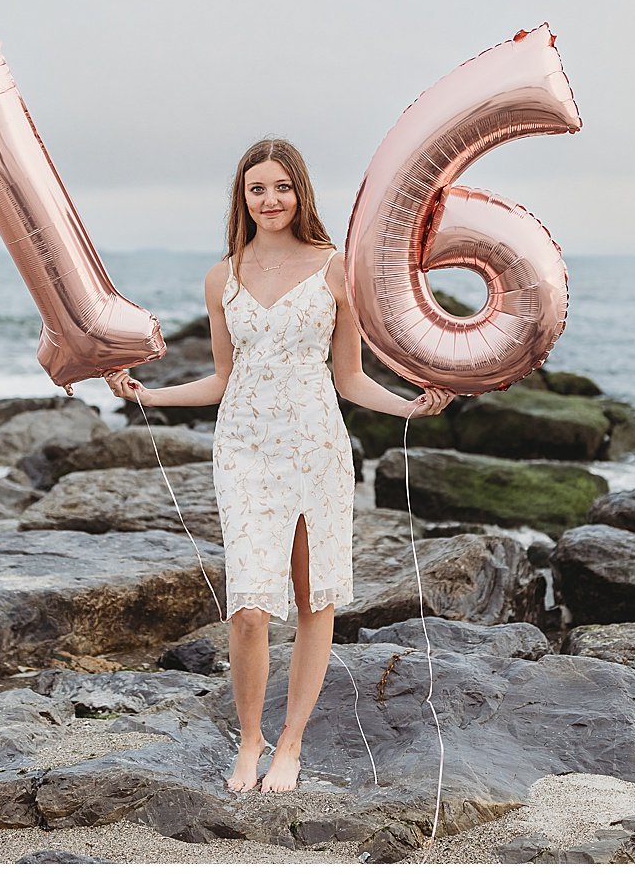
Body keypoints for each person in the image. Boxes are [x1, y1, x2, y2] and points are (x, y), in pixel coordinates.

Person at [105, 138, 453, 794]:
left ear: (301, 194)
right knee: (248, 606)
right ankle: (251, 738)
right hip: (242, 449)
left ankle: (290, 741)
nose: (270, 199)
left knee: (314, 597)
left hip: (317, 445)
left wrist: (409, 408)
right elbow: (222, 378)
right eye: (257, 188)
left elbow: (349, 378)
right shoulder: (222, 277)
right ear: (243, 196)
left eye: (282, 187)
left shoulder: (334, 269)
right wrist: (148, 395)